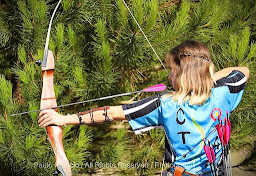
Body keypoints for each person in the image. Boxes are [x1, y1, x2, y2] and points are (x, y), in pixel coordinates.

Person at [38, 40, 249, 176]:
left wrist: (63, 119)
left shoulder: (164, 105)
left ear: (184, 75)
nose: (168, 77)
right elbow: (242, 71)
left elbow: (111, 113)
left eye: (173, 72)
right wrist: (207, 80)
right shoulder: (224, 93)